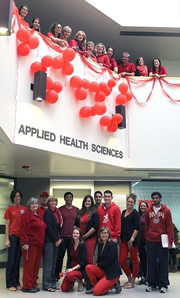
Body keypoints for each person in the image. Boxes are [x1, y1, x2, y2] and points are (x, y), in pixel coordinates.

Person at [145, 192, 174, 293]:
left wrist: (171, 241)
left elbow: (169, 226)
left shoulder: (166, 211)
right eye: (153, 198)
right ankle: (151, 283)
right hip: (151, 240)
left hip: (163, 240)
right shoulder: (148, 211)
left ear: (160, 199)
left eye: (157, 198)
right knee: (151, 262)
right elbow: (146, 226)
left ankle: (163, 284)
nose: (155, 200)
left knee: (163, 262)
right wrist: (146, 238)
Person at [85, 226, 122, 295]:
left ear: (109, 234)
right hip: (103, 270)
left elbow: (109, 261)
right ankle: (96, 285)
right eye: (102, 233)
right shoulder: (100, 244)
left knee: (96, 292)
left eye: (105, 233)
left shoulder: (112, 245)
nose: (103, 235)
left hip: (112, 273)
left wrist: (98, 265)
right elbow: (98, 258)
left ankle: (114, 284)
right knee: (88, 267)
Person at [20, 197, 46, 293]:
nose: (35, 205)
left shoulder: (38, 215)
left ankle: (33, 284)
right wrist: (24, 243)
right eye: (33, 204)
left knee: (36, 266)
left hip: (39, 244)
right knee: (29, 266)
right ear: (29, 205)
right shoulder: (27, 215)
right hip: (30, 245)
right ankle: (27, 286)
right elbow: (23, 230)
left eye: (36, 204)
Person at [4, 189, 26, 291]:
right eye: (16, 196)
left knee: (17, 261)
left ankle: (17, 283)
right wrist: (7, 239)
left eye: (19, 196)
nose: (17, 198)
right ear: (13, 198)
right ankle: (9, 284)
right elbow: (7, 225)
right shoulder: (9, 209)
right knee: (11, 261)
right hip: (13, 236)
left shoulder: (24, 209)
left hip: (21, 238)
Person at [55, 192, 79, 280]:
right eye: (67, 197)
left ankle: (68, 277)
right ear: (65, 199)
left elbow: (78, 223)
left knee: (71, 258)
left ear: (72, 198)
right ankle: (57, 276)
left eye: (70, 197)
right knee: (59, 257)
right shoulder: (59, 210)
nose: (69, 199)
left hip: (72, 238)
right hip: (62, 237)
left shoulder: (77, 210)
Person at [119, 193, 140, 289]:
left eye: (131, 202)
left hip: (133, 241)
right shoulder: (123, 212)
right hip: (123, 240)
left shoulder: (136, 213)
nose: (129, 203)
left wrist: (132, 239)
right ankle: (129, 277)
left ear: (134, 203)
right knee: (122, 260)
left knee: (134, 260)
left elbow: (137, 228)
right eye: (128, 201)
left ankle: (133, 281)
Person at [43, 195, 63, 292]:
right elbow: (49, 228)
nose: (54, 203)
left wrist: (60, 239)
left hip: (57, 241)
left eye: (55, 201)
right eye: (51, 201)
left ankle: (52, 282)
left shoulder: (57, 213)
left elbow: (59, 227)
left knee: (54, 263)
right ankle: (47, 285)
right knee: (49, 263)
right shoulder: (47, 213)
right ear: (48, 202)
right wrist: (56, 240)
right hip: (50, 241)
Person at [74, 195, 99, 264]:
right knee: (80, 257)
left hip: (90, 238)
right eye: (86, 201)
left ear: (92, 202)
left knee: (88, 257)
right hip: (79, 238)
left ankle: (89, 274)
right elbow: (75, 224)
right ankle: (82, 273)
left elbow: (94, 227)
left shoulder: (95, 213)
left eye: (89, 201)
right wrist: (76, 234)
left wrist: (85, 236)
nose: (87, 202)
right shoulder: (80, 212)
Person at [61, 227, 87, 292]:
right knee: (64, 288)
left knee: (70, 275)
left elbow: (83, 262)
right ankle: (72, 281)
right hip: (71, 270)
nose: (75, 235)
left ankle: (79, 281)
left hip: (79, 270)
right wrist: (67, 269)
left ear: (80, 235)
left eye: (77, 233)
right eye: (74, 233)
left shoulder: (83, 246)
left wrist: (72, 269)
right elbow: (69, 259)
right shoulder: (70, 245)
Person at [138, 200, 149, 284]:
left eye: (144, 206)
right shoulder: (139, 215)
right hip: (140, 241)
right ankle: (144, 276)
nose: (142, 207)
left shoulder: (149, 215)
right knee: (142, 260)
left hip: (148, 241)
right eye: (141, 206)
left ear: (147, 207)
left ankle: (149, 277)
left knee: (148, 260)